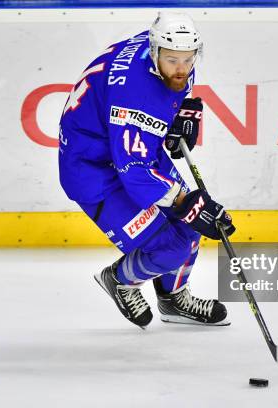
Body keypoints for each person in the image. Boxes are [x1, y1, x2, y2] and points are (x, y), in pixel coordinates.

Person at [58, 11, 235, 329]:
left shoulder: (159, 47)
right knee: (172, 246)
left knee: (191, 225)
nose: (181, 69)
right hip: (93, 169)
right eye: (172, 61)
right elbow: (135, 173)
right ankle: (119, 279)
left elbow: (163, 96)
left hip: (125, 147)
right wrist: (184, 202)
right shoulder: (136, 97)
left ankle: (173, 300)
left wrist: (179, 111)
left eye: (188, 59)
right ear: (155, 53)